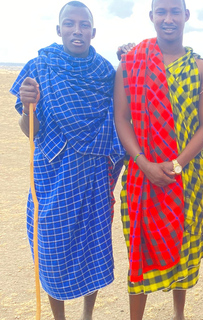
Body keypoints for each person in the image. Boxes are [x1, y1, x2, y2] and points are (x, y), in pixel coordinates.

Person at [9, 1, 124, 319]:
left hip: (92, 177)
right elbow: (30, 131)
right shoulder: (38, 68)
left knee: (92, 248)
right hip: (52, 178)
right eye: (70, 24)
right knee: (49, 250)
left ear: (93, 31)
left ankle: (87, 314)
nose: (77, 30)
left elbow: (122, 116)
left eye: (84, 24)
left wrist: (129, 60)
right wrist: (28, 104)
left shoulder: (105, 73)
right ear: (58, 29)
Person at [113, 0, 203, 319]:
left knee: (184, 243)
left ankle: (178, 313)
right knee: (140, 251)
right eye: (162, 11)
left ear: (186, 16)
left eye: (175, 11)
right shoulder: (131, 64)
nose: (168, 18)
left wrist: (177, 164)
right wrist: (143, 163)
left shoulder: (201, 67)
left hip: (187, 176)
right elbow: (122, 119)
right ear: (152, 17)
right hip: (141, 177)